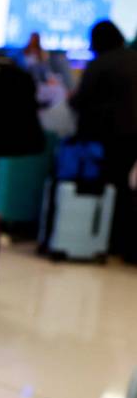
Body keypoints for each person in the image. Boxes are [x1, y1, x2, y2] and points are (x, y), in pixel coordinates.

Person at [69, 20, 137, 263]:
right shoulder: (133, 58)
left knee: (109, 187)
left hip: (109, 136)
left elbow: (80, 100)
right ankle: (125, 244)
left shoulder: (100, 63)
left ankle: (103, 239)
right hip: (133, 134)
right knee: (128, 189)